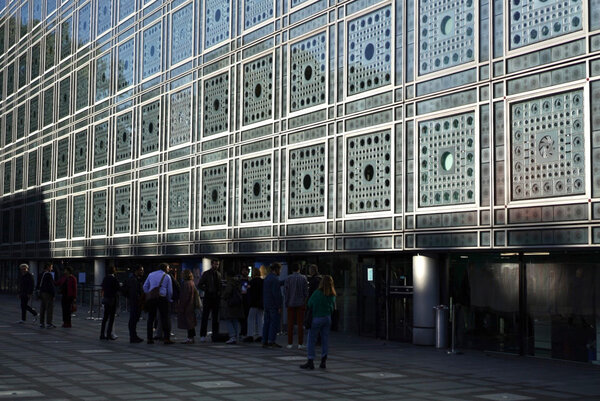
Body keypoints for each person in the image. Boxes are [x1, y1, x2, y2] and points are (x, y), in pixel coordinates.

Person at [301, 275, 336, 370]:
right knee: (325, 339)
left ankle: (310, 360)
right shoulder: (332, 294)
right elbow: (333, 307)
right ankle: (323, 361)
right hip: (327, 318)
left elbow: (309, 303)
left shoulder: (317, 293)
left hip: (317, 318)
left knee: (311, 339)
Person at [143, 263, 174, 344]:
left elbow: (145, 286)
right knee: (165, 318)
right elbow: (170, 290)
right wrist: (169, 299)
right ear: (165, 268)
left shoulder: (151, 274)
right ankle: (166, 338)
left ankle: (149, 338)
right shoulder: (167, 276)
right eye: (168, 268)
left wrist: (149, 293)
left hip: (152, 299)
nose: (168, 269)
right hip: (162, 298)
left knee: (151, 318)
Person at [284, 263, 308, 349]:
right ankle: (300, 343)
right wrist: (304, 301)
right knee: (300, 324)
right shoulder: (303, 278)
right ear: (299, 269)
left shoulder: (288, 278)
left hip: (290, 303)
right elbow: (306, 292)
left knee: (290, 324)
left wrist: (286, 302)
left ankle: (290, 343)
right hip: (300, 303)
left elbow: (286, 292)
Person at [198, 259, 222, 342]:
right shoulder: (206, 274)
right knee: (205, 317)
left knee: (215, 318)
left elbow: (219, 285)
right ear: (212, 264)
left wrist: (219, 293)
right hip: (208, 297)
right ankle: (203, 335)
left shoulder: (218, 274)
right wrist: (207, 289)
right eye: (215, 264)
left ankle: (215, 335)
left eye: (218, 264)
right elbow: (200, 285)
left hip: (216, 298)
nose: (216, 266)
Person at [262, 262, 283, 348]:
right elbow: (276, 294)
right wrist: (279, 305)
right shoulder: (275, 279)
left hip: (267, 303)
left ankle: (265, 340)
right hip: (273, 305)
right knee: (274, 323)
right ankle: (271, 340)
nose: (280, 272)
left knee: (266, 323)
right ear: (276, 269)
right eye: (280, 270)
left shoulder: (267, 278)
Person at [222, 268, 244, 344]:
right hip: (237, 303)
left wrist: (223, 296)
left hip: (231, 303)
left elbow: (228, 292)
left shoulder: (230, 282)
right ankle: (236, 336)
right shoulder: (238, 282)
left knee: (228, 319)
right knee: (235, 320)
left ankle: (232, 336)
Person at [178, 269, 200, 344]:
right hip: (191, 305)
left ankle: (190, 338)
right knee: (191, 323)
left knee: (189, 323)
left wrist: (181, 307)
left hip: (187, 306)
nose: (181, 275)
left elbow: (185, 296)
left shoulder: (186, 283)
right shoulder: (192, 283)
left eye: (182, 273)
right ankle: (191, 337)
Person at [123, 265, 145, 343]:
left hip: (135, 302)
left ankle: (134, 336)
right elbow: (134, 292)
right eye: (141, 270)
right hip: (135, 302)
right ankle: (133, 337)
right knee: (133, 320)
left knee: (134, 320)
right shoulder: (134, 280)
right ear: (136, 271)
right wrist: (138, 300)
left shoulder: (136, 279)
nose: (142, 271)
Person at [99, 265, 120, 340]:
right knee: (111, 318)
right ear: (113, 271)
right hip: (112, 299)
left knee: (105, 318)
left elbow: (103, 287)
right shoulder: (114, 279)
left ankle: (102, 334)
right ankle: (108, 334)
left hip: (106, 299)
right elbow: (118, 288)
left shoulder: (105, 278)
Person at [244, 267, 264, 342]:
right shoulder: (262, 281)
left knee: (251, 319)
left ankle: (250, 335)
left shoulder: (251, 282)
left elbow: (248, 292)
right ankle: (261, 335)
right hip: (261, 304)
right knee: (260, 319)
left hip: (253, 303)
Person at [37, 262, 56, 328]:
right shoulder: (49, 274)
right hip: (48, 293)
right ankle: (49, 323)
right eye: (51, 267)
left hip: (42, 292)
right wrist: (53, 294)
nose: (52, 268)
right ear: (48, 267)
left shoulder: (41, 274)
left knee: (42, 308)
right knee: (49, 308)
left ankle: (41, 323)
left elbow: (38, 283)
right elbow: (51, 285)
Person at [239, 266, 250, 338]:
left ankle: (244, 331)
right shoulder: (239, 280)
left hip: (247, 300)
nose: (244, 272)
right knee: (241, 317)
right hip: (240, 300)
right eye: (243, 270)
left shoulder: (250, 281)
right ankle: (242, 331)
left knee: (246, 317)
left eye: (246, 271)